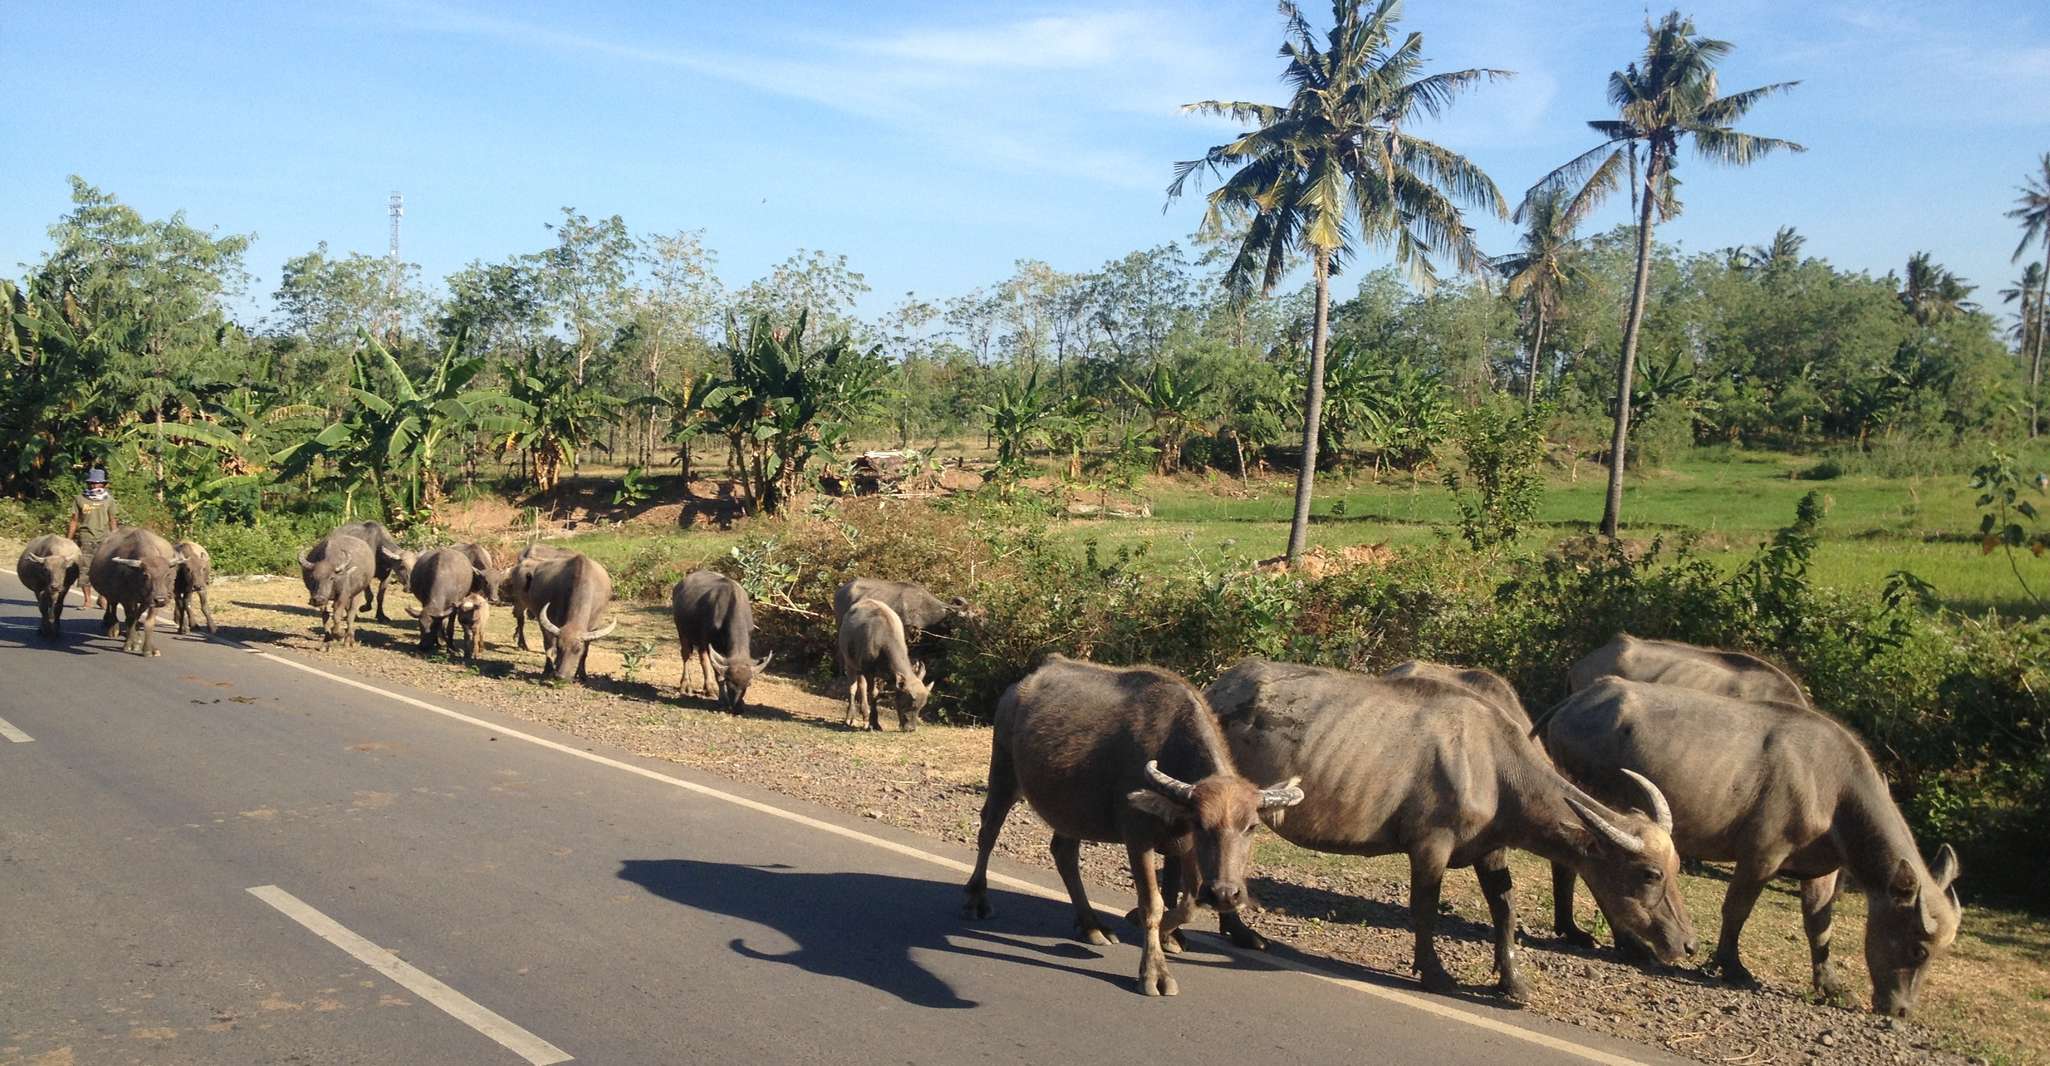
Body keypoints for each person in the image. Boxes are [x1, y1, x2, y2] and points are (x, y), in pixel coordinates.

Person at [67, 467, 119, 609]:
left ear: (103, 484)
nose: (95, 486)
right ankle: (87, 600)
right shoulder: (80, 499)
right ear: (88, 484)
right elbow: (74, 520)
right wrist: (68, 539)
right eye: (92, 483)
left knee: (105, 569)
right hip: (86, 538)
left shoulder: (109, 500)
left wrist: (115, 537)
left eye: (98, 483)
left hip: (105, 539)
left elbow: (112, 519)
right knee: (85, 569)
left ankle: (102, 597)